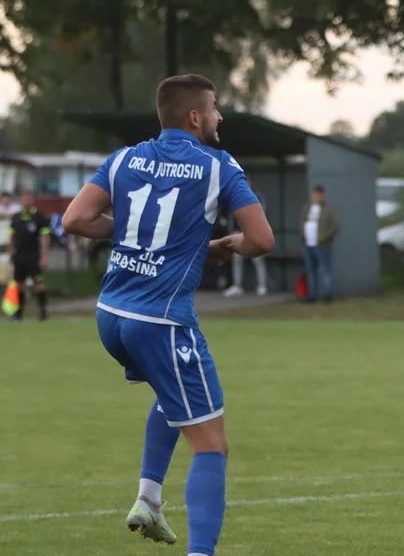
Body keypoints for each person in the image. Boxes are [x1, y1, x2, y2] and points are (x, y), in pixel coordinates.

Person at [61, 74, 274, 556]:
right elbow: (262, 240)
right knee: (212, 445)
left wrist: (137, 237)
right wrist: (227, 245)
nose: (221, 116)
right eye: (216, 108)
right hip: (161, 320)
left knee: (170, 394)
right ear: (196, 116)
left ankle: (149, 498)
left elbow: (74, 219)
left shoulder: (124, 158)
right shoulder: (218, 165)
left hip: (110, 315)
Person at [8, 189, 52, 321]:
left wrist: (44, 256)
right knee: (19, 284)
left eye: (29, 199)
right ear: (20, 201)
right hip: (19, 256)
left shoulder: (39, 217)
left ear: (32, 200)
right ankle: (19, 313)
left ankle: (43, 313)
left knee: (38, 283)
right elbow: (12, 236)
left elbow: (46, 237)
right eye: (24, 199)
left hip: (34, 255)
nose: (27, 201)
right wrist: (11, 252)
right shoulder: (16, 217)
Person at [223, 179, 269, 297]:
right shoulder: (234, 196)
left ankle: (262, 285)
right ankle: (237, 286)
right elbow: (231, 215)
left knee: (258, 260)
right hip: (238, 233)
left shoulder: (257, 197)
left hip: (253, 233)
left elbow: (261, 215)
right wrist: (232, 230)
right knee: (237, 260)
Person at [301, 185, 339, 303]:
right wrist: (302, 234)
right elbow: (302, 222)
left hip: (322, 245)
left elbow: (335, 225)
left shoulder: (328, 209)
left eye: (319, 194)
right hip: (309, 244)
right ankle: (312, 294)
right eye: (315, 194)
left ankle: (328, 294)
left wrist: (325, 237)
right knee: (311, 270)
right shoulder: (307, 208)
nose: (317, 197)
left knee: (325, 270)